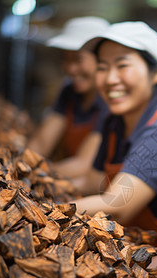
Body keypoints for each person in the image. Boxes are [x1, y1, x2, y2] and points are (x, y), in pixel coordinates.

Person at [72, 21, 157, 246]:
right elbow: (92, 181)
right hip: (125, 245)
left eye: (122, 65)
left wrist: (43, 210)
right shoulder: (115, 122)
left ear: (156, 72)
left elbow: (117, 207)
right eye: (102, 67)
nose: (110, 79)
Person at [28, 16, 110, 183]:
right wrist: (20, 165)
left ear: (101, 60)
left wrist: (33, 173)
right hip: (63, 178)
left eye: (78, 59)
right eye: (66, 59)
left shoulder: (109, 100)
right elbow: (41, 143)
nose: (71, 69)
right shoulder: (69, 91)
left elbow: (83, 164)